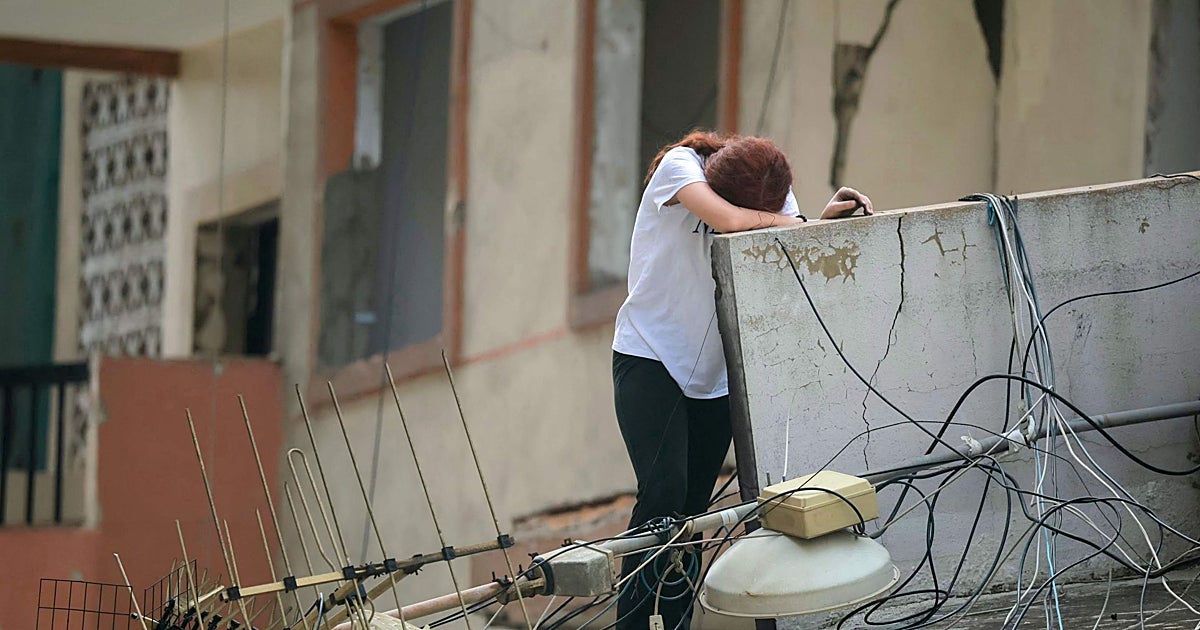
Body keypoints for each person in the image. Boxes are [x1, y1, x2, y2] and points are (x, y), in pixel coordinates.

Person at [610, 131, 872, 629]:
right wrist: (792, 223)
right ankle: (633, 623)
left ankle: (675, 621)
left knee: (694, 512)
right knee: (664, 493)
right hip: (649, 355)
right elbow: (733, 222)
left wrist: (816, 225)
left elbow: (781, 246)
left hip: (715, 377)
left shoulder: (772, 192)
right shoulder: (682, 166)